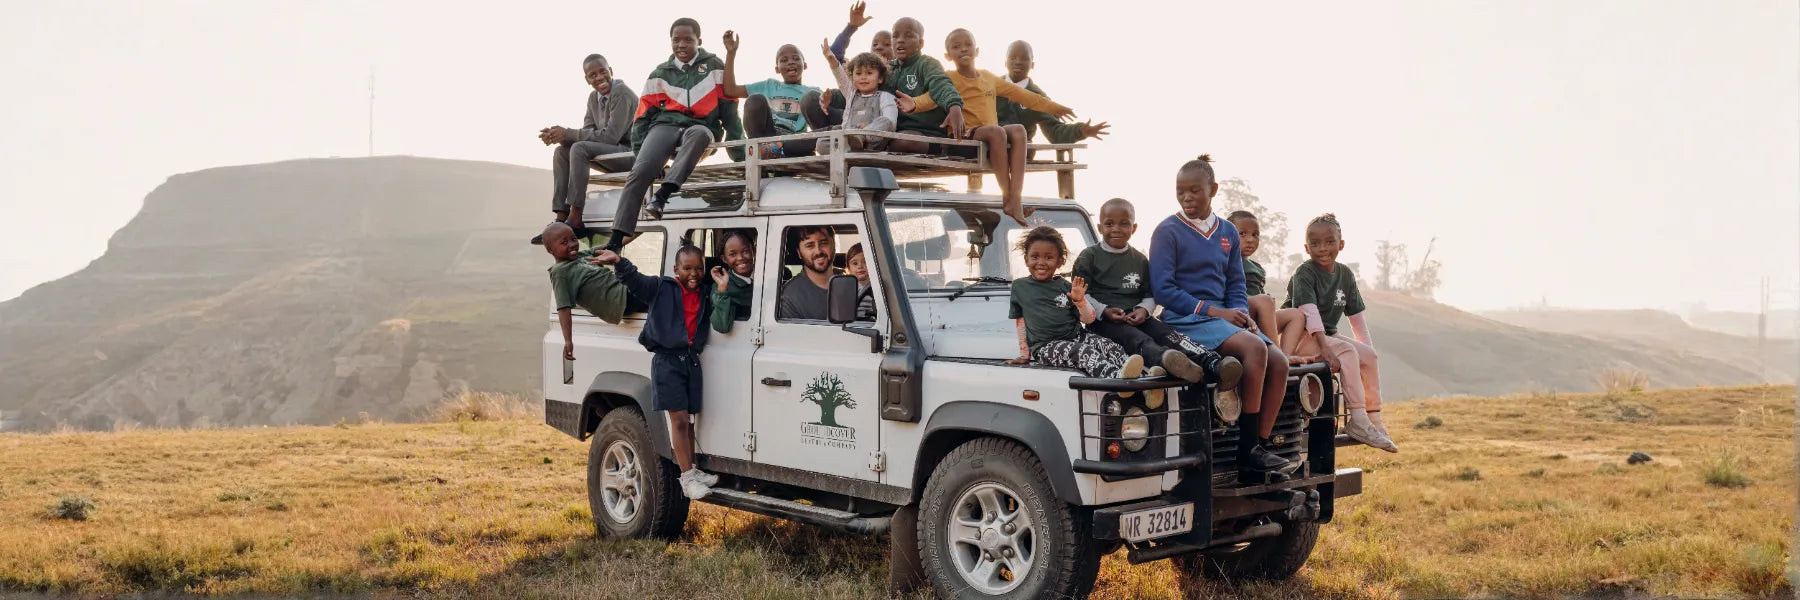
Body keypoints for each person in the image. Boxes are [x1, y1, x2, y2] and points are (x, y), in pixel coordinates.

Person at [1149, 155, 1293, 480]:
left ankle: (1259, 448)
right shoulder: (1167, 231)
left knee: (1280, 362)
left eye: (1194, 191)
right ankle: (1247, 451)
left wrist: (1241, 314)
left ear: (1213, 189)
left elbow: (1236, 283)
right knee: (1254, 349)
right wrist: (1214, 311)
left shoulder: (1227, 231)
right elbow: (1163, 290)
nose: (1187, 197)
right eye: (1180, 191)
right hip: (1186, 318)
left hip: (1224, 318)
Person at [908, 29, 1082, 226]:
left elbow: (1024, 96)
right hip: (963, 139)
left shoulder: (988, 77)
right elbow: (931, 97)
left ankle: (1015, 197)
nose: (963, 49)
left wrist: (1055, 108)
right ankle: (1008, 198)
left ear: (977, 50)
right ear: (948, 56)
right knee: (997, 131)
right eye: (956, 47)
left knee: (1018, 130)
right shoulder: (949, 78)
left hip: (990, 138)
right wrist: (913, 103)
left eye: (967, 45)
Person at [591, 244, 722, 499]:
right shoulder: (662, 288)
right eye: (687, 268)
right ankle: (687, 479)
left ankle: (692, 470)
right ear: (676, 269)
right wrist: (618, 262)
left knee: (690, 420)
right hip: (667, 361)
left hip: (690, 360)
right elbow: (635, 281)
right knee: (679, 420)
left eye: (698, 268)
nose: (693, 274)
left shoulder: (704, 292)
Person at [1074, 198, 1242, 395]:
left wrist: (1143, 310)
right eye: (1109, 224)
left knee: (1170, 335)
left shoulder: (1139, 260)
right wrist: (1104, 311)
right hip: (1104, 322)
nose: (1116, 229)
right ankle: (1170, 361)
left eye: (1124, 224)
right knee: (1138, 340)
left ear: (1134, 228)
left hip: (1136, 316)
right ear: (1100, 227)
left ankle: (1214, 363)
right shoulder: (1089, 257)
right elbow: (1081, 294)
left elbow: (1151, 293)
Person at [614, 17, 746, 251]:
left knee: (699, 134)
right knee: (639, 172)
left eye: (688, 40)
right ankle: (615, 240)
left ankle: (663, 195)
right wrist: (643, 154)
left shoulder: (714, 66)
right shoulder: (660, 73)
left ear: (699, 41)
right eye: (676, 40)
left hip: (702, 127)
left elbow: (730, 110)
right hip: (665, 126)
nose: (681, 45)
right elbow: (642, 116)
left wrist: (740, 155)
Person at [1280, 214, 1398, 452]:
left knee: (1369, 355)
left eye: (1329, 242)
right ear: (1307, 248)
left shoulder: (1345, 274)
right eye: (1315, 244)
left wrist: (1366, 353)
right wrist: (1326, 349)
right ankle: (1358, 419)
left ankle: (1374, 420)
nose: (1322, 248)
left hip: (1327, 335)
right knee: (1346, 351)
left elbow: (1356, 319)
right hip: (1303, 336)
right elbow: (1309, 313)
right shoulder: (1305, 273)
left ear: (1341, 244)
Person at [1007, 226, 1146, 384]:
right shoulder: (1019, 287)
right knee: (1083, 352)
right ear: (1026, 259)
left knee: (1109, 345)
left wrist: (1080, 301)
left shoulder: (1067, 287)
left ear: (1060, 261)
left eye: (1049, 257)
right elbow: (1020, 322)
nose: (1041, 262)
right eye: (1035, 257)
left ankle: (1143, 380)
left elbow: (1088, 319)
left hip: (1077, 336)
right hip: (1046, 346)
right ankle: (1119, 381)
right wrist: (1024, 355)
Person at [534, 54, 637, 244]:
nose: (599, 77)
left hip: (632, 155)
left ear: (611, 71)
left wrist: (568, 134)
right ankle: (561, 217)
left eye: (603, 72)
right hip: (610, 155)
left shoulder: (622, 94)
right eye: (593, 75)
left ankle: (576, 216)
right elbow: (588, 130)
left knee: (579, 148)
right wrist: (559, 137)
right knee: (562, 152)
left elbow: (610, 137)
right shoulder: (593, 98)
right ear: (587, 79)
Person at [542, 222, 646, 365]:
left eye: (573, 239)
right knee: (662, 293)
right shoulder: (560, 272)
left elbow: (611, 247)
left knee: (660, 288)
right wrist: (568, 340)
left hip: (625, 290)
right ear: (550, 249)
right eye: (564, 242)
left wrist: (641, 229)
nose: (572, 244)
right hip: (621, 300)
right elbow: (563, 308)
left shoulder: (582, 256)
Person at [868, 17, 965, 157]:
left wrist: (954, 106)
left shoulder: (927, 64)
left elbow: (941, 84)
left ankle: (878, 147)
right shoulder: (887, 69)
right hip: (893, 132)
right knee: (846, 130)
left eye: (908, 36)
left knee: (907, 141)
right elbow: (862, 88)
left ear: (920, 43)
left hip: (927, 136)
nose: (900, 40)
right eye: (895, 36)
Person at [996, 40, 1109, 159]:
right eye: (1013, 57)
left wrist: (1080, 131)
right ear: (1005, 62)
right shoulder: (991, 88)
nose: (1018, 62)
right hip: (991, 148)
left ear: (1032, 65)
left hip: (1021, 151)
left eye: (1024, 58)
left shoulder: (1039, 97)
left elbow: (1055, 132)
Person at [721, 32, 821, 158]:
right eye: (784, 60)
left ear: (805, 65)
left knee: (824, 121)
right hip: (769, 140)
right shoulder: (769, 86)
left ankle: (783, 153)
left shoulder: (812, 92)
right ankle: (758, 151)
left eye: (796, 58)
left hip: (794, 142)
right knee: (754, 100)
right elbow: (730, 90)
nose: (790, 62)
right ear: (777, 69)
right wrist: (731, 54)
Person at [1227, 210, 1301, 345]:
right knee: (1264, 300)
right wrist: (1264, 300)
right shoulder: (1225, 261)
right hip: (1239, 311)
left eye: (1255, 235)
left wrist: (1268, 300)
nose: (1250, 239)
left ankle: (1287, 353)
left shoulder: (1257, 267)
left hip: (1260, 315)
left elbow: (1259, 291)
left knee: (1296, 314)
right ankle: (1276, 352)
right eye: (1242, 234)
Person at [813, 45, 898, 154]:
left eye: (869, 73)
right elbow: (840, 77)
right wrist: (831, 59)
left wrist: (867, 129)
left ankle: (860, 139)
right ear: (852, 77)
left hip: (873, 144)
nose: (863, 77)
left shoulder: (886, 97)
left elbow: (891, 120)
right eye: (858, 73)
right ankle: (852, 149)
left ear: (880, 78)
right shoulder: (851, 94)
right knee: (821, 143)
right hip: (848, 141)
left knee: (886, 121)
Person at [776, 226, 839, 321]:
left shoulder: (852, 280)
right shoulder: (789, 296)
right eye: (810, 246)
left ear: (834, 245)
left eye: (823, 243)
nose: (818, 251)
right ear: (799, 253)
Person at [710, 229, 757, 333]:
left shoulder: (766, 275)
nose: (740, 258)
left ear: (753, 250)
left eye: (746, 251)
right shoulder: (719, 287)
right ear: (724, 259)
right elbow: (722, 327)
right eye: (732, 254)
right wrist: (722, 290)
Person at [827, 1, 892, 63]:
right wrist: (851, 27)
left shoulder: (898, 69)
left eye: (887, 44)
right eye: (875, 44)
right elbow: (833, 55)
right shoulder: (859, 69)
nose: (878, 47)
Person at [846, 242, 877, 320]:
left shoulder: (880, 287)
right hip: (855, 324)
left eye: (865, 262)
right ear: (848, 268)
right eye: (855, 263)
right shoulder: (847, 289)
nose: (860, 266)